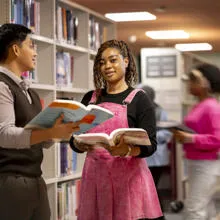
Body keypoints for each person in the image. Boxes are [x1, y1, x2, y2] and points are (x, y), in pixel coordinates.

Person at [69, 39, 164, 220]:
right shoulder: (90, 98)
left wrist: (127, 150)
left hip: (129, 181)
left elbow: (151, 145)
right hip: (95, 179)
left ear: (126, 61)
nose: (107, 66)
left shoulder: (139, 100)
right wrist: (78, 144)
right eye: (102, 62)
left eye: (113, 60)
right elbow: (74, 137)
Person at [0, 23, 80, 220]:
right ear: (16, 49)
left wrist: (58, 131)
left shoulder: (31, 92)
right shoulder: (2, 86)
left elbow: (40, 139)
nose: (35, 52)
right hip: (10, 182)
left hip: (35, 179)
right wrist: (50, 133)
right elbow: (4, 135)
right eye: (31, 45)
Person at [172, 63, 220, 220]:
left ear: (206, 83)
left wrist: (189, 138)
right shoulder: (199, 105)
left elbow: (217, 139)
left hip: (206, 164)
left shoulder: (212, 107)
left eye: (194, 81)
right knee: (206, 208)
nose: (189, 85)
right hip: (197, 163)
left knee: (194, 209)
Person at [137, 84, 172, 211]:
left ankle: (158, 214)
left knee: (152, 188)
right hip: (141, 157)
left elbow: (167, 133)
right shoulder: (136, 110)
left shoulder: (159, 111)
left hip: (156, 159)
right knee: (142, 189)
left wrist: (148, 136)